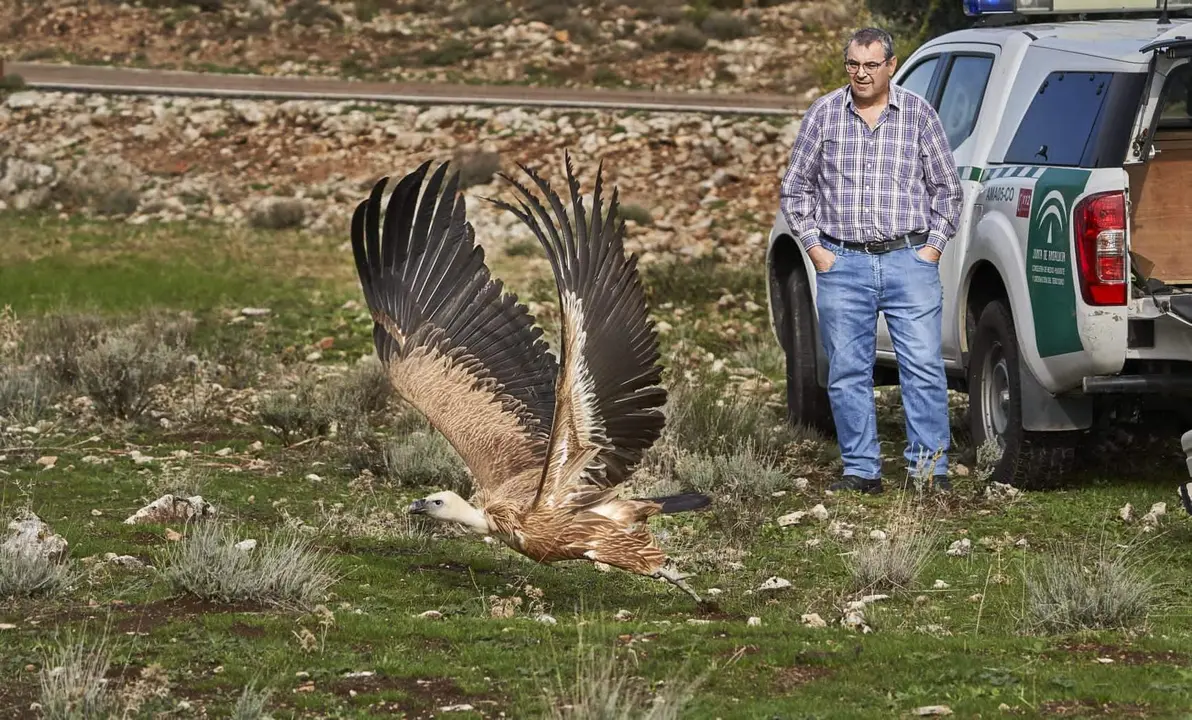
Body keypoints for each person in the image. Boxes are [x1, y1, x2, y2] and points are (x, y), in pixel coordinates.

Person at [779, 26, 963, 495]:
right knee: (846, 373)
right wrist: (817, 251)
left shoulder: (919, 114)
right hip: (843, 263)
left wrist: (932, 249)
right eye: (853, 65)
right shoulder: (823, 113)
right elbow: (795, 188)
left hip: (909, 259)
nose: (861, 74)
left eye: (870, 65)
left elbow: (948, 188)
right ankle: (862, 471)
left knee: (923, 367)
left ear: (891, 66)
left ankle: (928, 472)